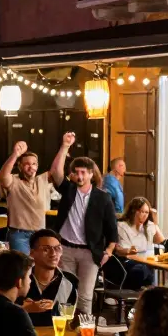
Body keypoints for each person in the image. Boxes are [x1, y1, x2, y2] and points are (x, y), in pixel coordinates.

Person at [51, 132, 119, 315]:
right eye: (76, 172)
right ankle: (62, 332)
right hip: (65, 248)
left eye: (83, 172)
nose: (79, 176)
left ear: (91, 174)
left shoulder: (103, 197)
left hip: (90, 252)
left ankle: (84, 334)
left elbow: (112, 229)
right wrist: (65, 146)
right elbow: (56, 172)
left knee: (85, 296)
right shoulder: (68, 190)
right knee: (64, 293)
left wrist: (109, 251)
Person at [0, 140, 55, 253]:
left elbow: (57, 171)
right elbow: (2, 175)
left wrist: (65, 146)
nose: (31, 167)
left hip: (40, 234)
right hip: (19, 235)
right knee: (23, 268)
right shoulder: (14, 181)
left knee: (39, 268)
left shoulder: (42, 179)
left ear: (37, 166)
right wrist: (15, 154)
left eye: (34, 164)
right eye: (27, 164)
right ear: (19, 166)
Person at [18, 229, 76, 327]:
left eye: (57, 249)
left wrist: (56, 308)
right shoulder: (20, 278)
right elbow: (1, 313)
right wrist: (25, 308)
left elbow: (73, 317)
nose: (53, 254)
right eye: (46, 249)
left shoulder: (70, 281)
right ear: (32, 253)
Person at [115, 196, 163, 290]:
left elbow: (160, 240)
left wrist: (155, 222)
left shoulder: (148, 226)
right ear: (134, 211)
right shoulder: (122, 226)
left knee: (148, 270)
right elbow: (121, 250)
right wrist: (129, 250)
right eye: (142, 212)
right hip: (127, 262)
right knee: (142, 270)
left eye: (147, 212)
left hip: (146, 262)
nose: (145, 215)